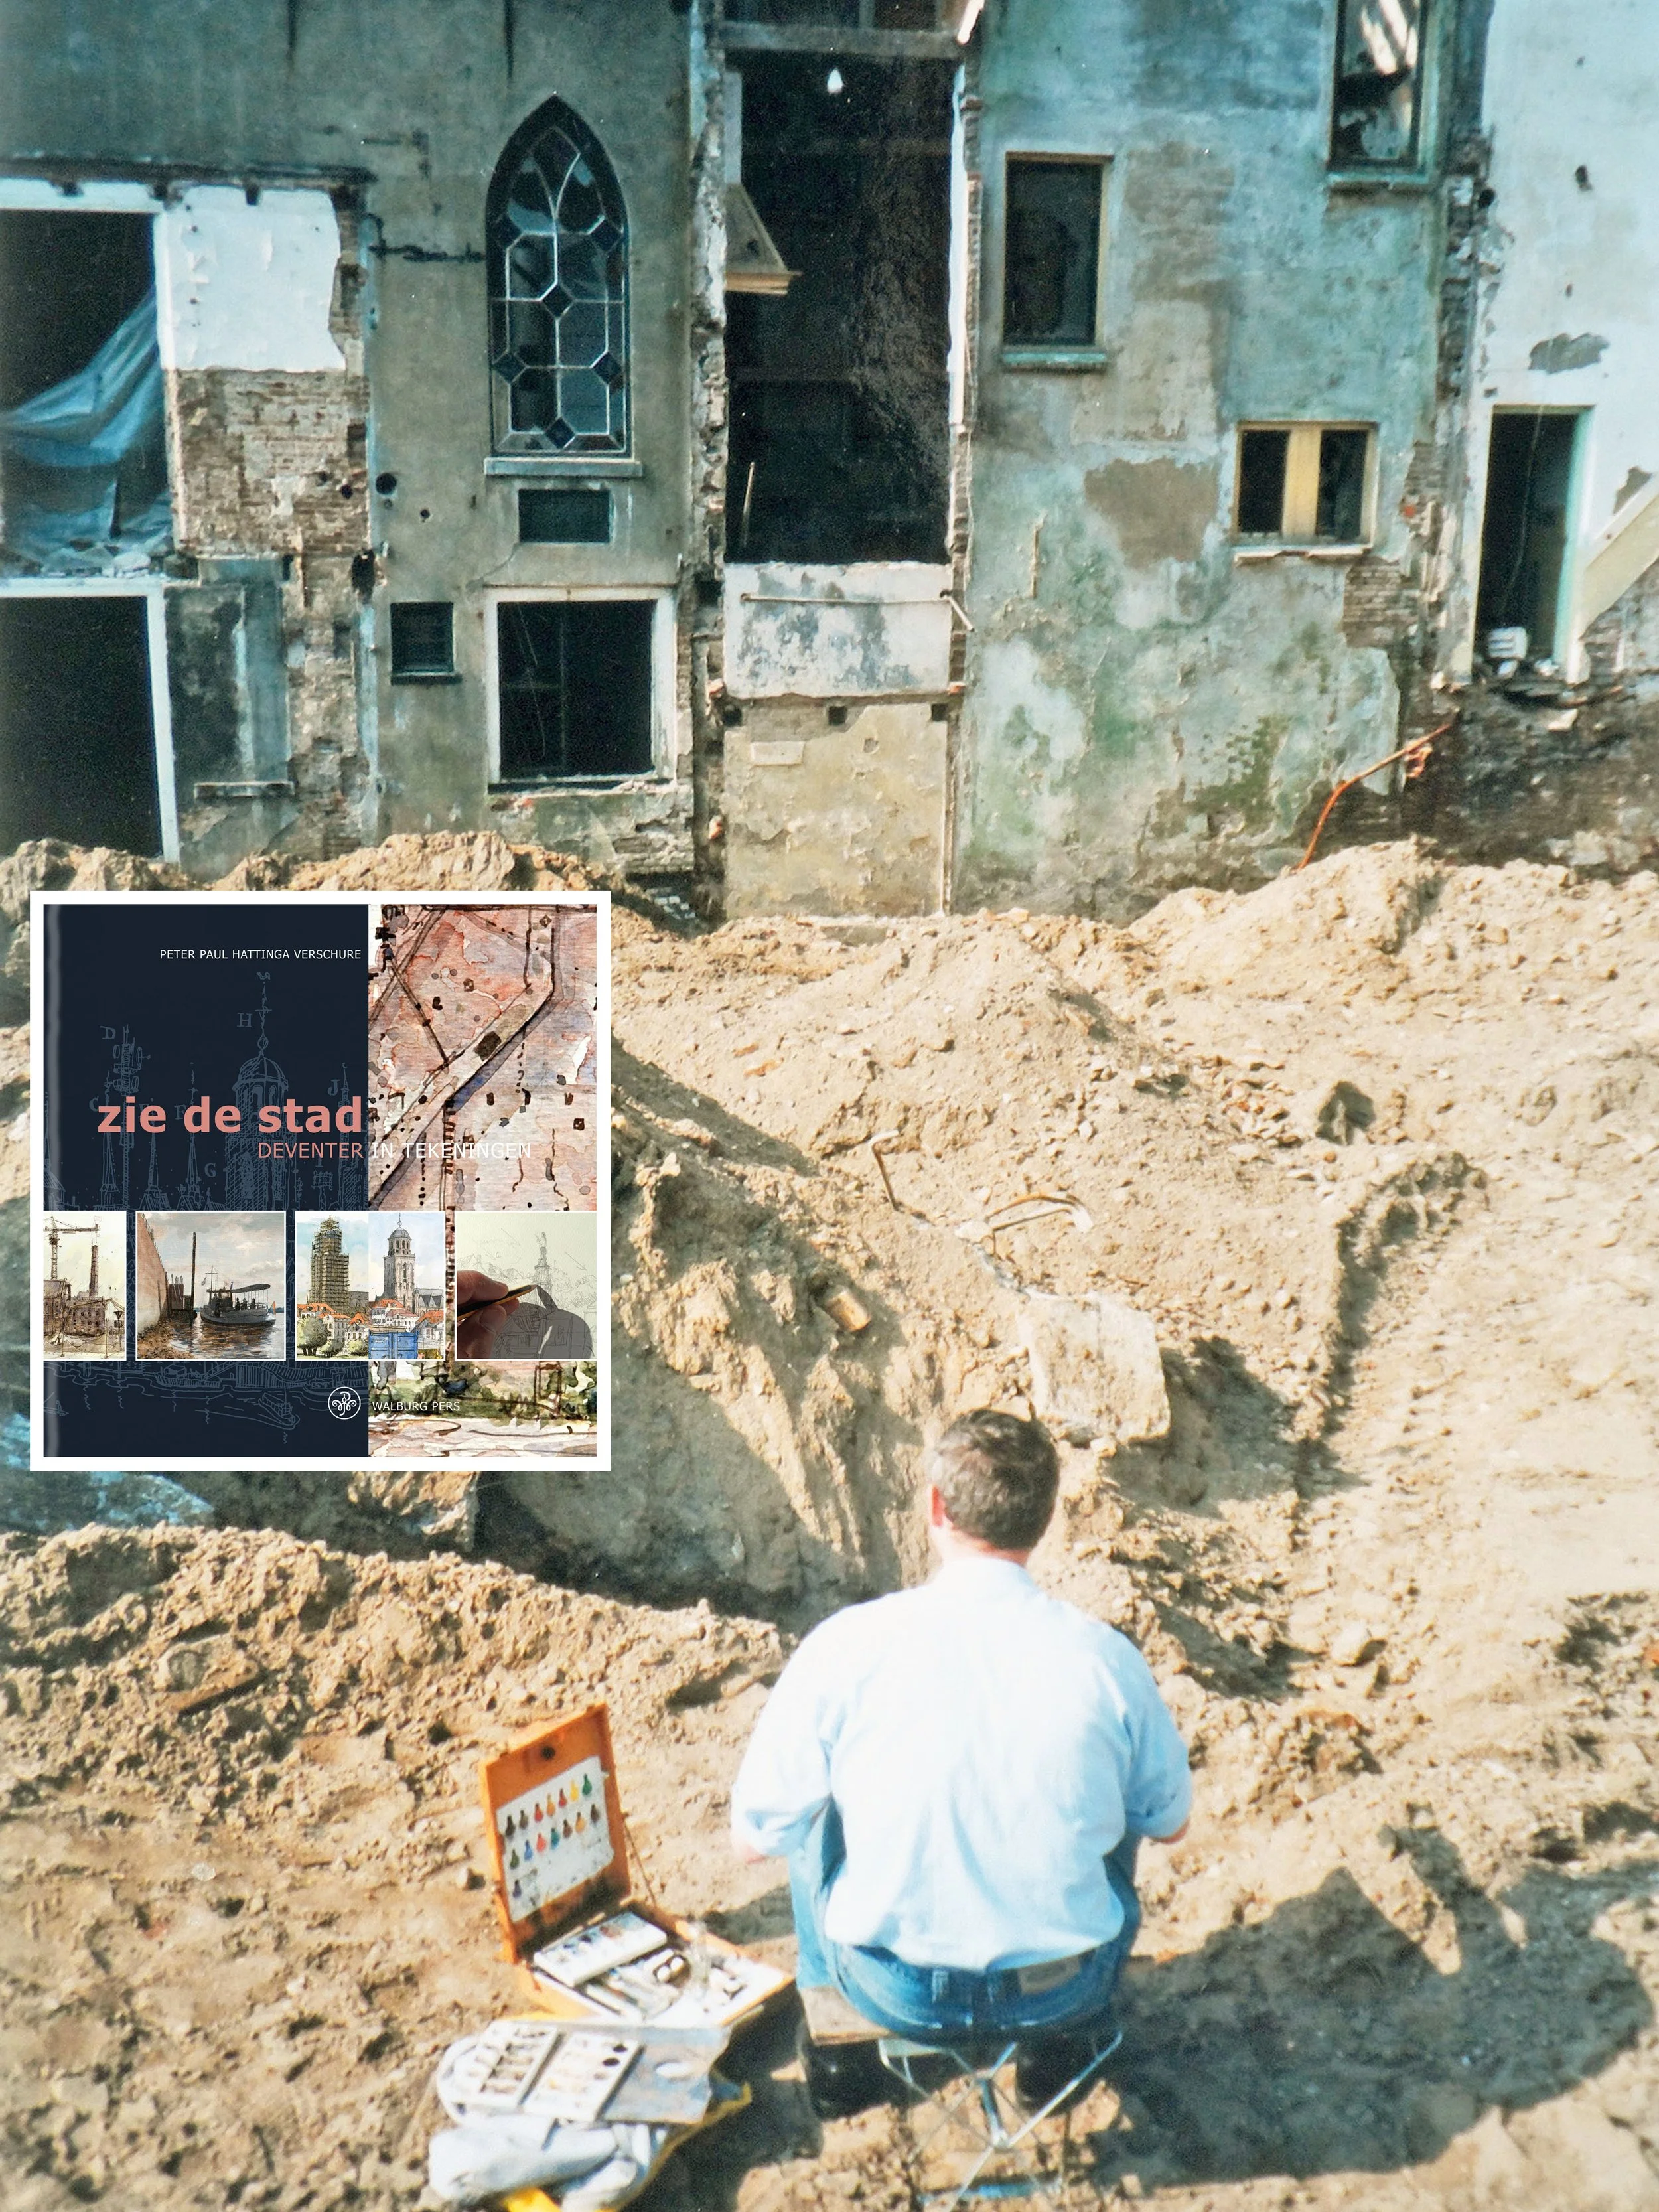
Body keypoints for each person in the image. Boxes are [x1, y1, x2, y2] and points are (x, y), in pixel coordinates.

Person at [729, 1408, 1191, 2117]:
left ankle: (843, 2066)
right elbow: (1170, 1823)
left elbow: (756, 1837)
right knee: (1124, 1797)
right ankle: (1058, 2058)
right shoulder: (1106, 1659)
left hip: (898, 1991)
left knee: (813, 1807)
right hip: (1062, 1988)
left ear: (936, 1507)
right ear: (1044, 1519)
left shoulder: (845, 1648)